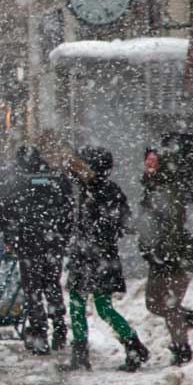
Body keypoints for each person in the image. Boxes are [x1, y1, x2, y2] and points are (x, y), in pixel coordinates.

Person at [61, 146, 149, 371]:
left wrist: (97, 230)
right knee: (89, 305)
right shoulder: (94, 189)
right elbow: (124, 223)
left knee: (89, 304)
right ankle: (130, 346)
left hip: (94, 257)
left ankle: (129, 347)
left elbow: (122, 224)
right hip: (98, 256)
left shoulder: (100, 192)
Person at [137, 143, 193, 365]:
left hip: (172, 257)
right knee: (155, 304)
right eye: (147, 160)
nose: (148, 164)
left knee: (168, 306)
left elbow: (170, 226)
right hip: (160, 256)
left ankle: (182, 350)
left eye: (153, 161)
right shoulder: (153, 187)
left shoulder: (165, 190)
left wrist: (162, 254)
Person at [0, 144, 74, 355]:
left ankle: (39, 334)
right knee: (52, 285)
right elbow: (68, 208)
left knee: (33, 289)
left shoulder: (16, 182)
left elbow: (2, 208)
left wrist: (11, 236)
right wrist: (63, 236)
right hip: (53, 242)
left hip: (28, 243)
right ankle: (59, 329)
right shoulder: (56, 179)